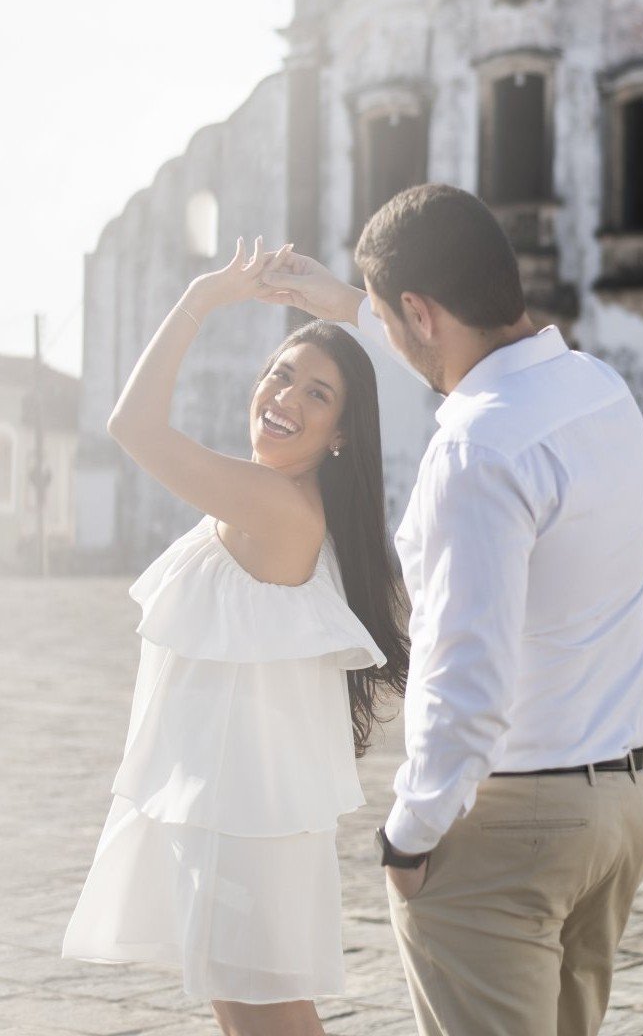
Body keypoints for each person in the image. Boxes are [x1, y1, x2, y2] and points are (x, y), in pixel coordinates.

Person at [259, 185, 643, 1036]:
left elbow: (466, 673)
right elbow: (444, 348)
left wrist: (410, 835)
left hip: (506, 829)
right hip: (616, 812)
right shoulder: (600, 391)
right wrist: (345, 301)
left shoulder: (475, 449)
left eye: (387, 317)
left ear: (420, 311)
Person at [61, 236, 409, 1036]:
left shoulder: (277, 505)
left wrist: (202, 298)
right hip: (230, 804)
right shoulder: (272, 495)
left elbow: (132, 425)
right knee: (251, 1010)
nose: (285, 397)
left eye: (317, 394)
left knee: (265, 1015)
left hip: (243, 816)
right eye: (279, 375)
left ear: (340, 434)